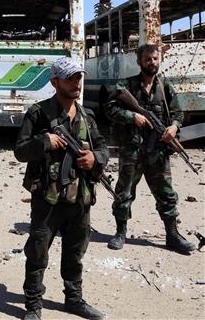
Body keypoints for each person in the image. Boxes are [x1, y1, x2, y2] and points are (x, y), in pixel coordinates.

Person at [15, 57, 108, 320]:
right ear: (55, 82)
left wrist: (95, 159)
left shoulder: (87, 116)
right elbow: (20, 151)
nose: (76, 82)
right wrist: (45, 141)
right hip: (49, 196)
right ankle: (33, 305)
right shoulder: (38, 113)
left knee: (75, 252)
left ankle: (74, 299)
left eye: (79, 77)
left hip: (80, 197)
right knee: (38, 249)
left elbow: (102, 147)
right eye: (70, 78)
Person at [105, 44, 196, 254]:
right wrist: (132, 116)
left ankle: (172, 235)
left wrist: (174, 127)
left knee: (166, 194)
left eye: (155, 59)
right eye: (148, 59)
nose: (152, 62)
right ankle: (120, 232)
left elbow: (178, 113)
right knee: (124, 193)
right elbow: (109, 108)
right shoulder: (126, 86)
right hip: (132, 150)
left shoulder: (165, 88)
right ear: (139, 62)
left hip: (157, 153)